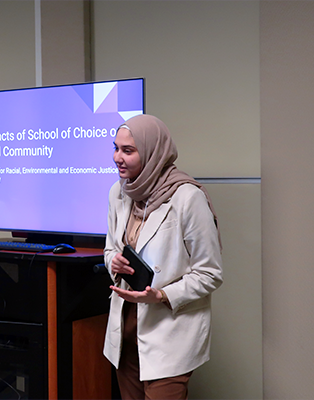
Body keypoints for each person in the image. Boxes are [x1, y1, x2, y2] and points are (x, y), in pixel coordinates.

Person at [103, 114, 223, 400]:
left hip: (168, 327)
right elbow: (109, 249)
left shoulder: (186, 197)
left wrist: (161, 295)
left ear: (152, 152)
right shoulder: (119, 192)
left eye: (128, 151)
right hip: (125, 327)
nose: (117, 157)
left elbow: (210, 273)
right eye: (115, 148)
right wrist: (113, 261)